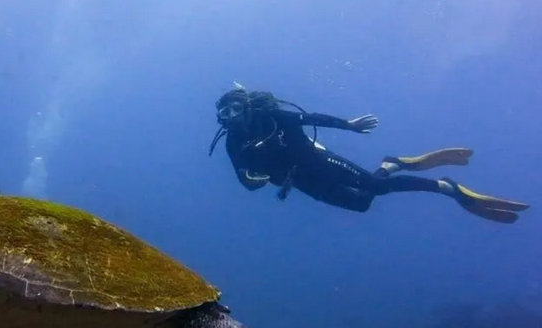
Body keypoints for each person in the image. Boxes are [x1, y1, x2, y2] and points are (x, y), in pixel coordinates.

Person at [209, 83, 529, 224]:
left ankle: (446, 187)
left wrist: (349, 125)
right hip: (300, 183)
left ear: (247, 105)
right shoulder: (232, 143)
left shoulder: (274, 117)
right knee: (362, 204)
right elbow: (243, 179)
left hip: (317, 160)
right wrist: (256, 180)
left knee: (374, 188)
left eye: (234, 107)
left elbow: (312, 118)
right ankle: (392, 164)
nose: (230, 115)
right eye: (224, 111)